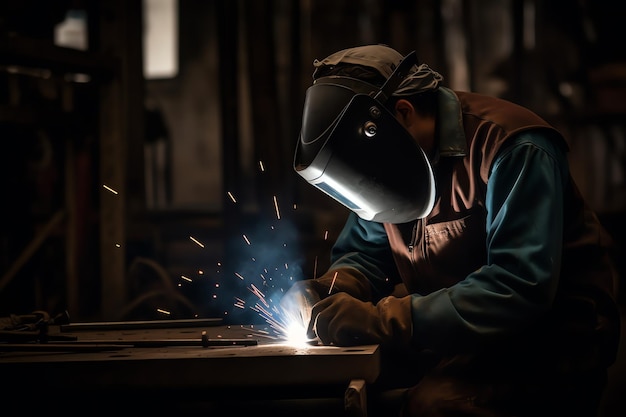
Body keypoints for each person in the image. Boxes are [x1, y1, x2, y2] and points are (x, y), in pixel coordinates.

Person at [280, 44, 621, 417]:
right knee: (331, 389)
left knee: (435, 408)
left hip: (551, 341)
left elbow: (519, 285)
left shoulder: (514, 147)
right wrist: (331, 289)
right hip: (453, 336)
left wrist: (384, 320)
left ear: (403, 113)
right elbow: (366, 253)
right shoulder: (387, 166)